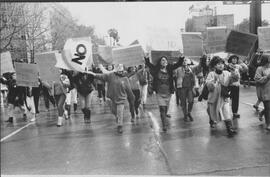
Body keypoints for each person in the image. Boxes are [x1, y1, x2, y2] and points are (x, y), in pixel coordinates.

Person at [87, 64, 135, 134]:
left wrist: (132, 97)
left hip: (121, 99)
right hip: (111, 98)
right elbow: (102, 76)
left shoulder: (125, 79)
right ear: (116, 71)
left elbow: (129, 90)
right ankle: (117, 117)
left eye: (121, 71)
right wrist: (94, 74)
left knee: (120, 112)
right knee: (114, 111)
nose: (120, 72)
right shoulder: (110, 75)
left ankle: (120, 126)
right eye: (119, 71)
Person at [145, 55, 184, 132]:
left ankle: (164, 119)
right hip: (159, 93)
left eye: (165, 60)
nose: (164, 61)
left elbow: (178, 64)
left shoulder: (170, 68)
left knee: (165, 109)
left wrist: (181, 57)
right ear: (160, 62)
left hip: (168, 93)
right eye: (162, 60)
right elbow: (149, 64)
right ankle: (164, 125)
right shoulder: (156, 69)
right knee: (162, 109)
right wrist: (146, 58)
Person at [206, 56, 239, 137]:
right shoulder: (211, 74)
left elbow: (235, 79)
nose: (221, 65)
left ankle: (229, 129)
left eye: (222, 64)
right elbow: (208, 85)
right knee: (212, 111)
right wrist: (213, 82)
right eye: (218, 64)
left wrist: (234, 71)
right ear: (214, 66)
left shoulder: (227, 73)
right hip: (214, 97)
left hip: (224, 96)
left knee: (226, 111)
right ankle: (211, 120)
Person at [175, 57, 202, 122]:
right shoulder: (178, 69)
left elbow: (199, 67)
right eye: (183, 60)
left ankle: (189, 112)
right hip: (181, 88)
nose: (184, 61)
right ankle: (185, 115)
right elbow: (174, 76)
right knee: (183, 103)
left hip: (190, 87)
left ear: (189, 61)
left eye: (186, 60)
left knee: (191, 101)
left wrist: (202, 60)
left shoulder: (192, 68)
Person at [227, 55, 248, 119]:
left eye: (236, 59)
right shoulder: (228, 66)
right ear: (230, 59)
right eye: (233, 59)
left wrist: (242, 63)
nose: (234, 60)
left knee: (235, 99)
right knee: (225, 99)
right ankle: (223, 112)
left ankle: (235, 112)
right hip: (228, 85)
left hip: (236, 85)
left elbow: (245, 69)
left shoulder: (238, 66)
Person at [254, 54, 270, 131]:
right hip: (265, 91)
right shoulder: (259, 69)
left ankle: (261, 113)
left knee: (269, 107)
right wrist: (267, 77)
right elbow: (258, 80)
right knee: (267, 108)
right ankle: (268, 124)